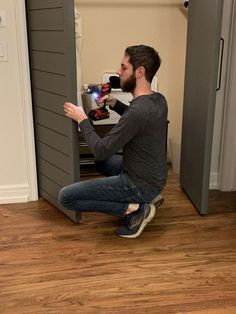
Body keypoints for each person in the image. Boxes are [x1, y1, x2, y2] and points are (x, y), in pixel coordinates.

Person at [58, 44, 168, 238]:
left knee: (66, 197)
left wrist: (82, 118)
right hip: (155, 177)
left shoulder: (138, 111)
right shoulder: (159, 100)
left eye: (124, 67)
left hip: (139, 183)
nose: (118, 72)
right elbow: (138, 121)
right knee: (102, 163)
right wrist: (115, 103)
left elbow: (101, 149)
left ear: (140, 72)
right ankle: (149, 196)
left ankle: (133, 208)